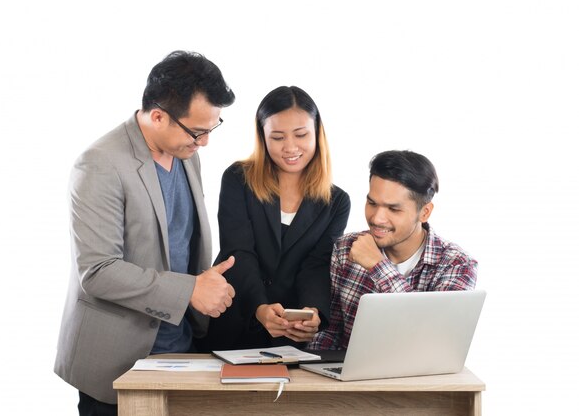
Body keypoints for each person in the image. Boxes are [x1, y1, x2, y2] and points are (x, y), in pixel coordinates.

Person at [54, 50, 237, 415]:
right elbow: (98, 271)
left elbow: (182, 242)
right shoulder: (99, 164)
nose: (204, 143)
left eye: (211, 129)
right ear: (157, 116)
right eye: (198, 131)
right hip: (116, 363)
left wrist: (206, 284)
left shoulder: (186, 153)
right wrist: (191, 290)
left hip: (182, 352)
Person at [195, 86, 351, 352]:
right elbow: (238, 251)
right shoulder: (238, 179)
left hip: (290, 332)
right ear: (263, 136)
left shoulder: (336, 201)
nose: (290, 147)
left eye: (301, 135)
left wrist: (312, 312)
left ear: (317, 132)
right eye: (277, 137)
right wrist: (259, 308)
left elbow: (317, 264)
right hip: (236, 317)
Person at [309, 150, 478, 350]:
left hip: (420, 379)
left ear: (425, 212)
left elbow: (433, 339)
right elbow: (331, 333)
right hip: (351, 378)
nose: (377, 218)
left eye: (393, 209)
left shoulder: (457, 265)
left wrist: (378, 266)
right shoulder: (346, 249)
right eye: (372, 203)